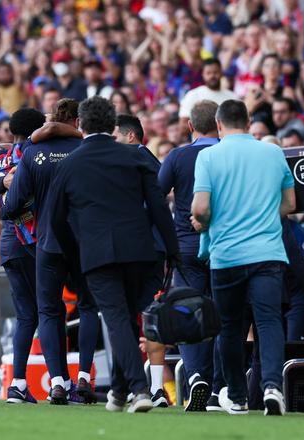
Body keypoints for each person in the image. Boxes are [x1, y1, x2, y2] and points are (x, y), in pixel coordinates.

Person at [48, 96, 179, 413]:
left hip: (97, 253)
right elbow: (159, 205)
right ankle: (120, 391)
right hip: (140, 249)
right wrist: (174, 251)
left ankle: (139, 389)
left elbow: (55, 219)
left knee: (118, 319)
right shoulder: (135, 157)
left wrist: (73, 254)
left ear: (80, 125)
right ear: (112, 125)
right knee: (128, 320)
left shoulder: (68, 164)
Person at [191, 99, 296, 416]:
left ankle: (236, 395)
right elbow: (290, 204)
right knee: (268, 321)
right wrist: (262, 216)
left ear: (219, 125)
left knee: (230, 328)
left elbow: (199, 208)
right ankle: (273, 387)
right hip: (267, 253)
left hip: (226, 255)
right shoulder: (273, 152)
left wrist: (206, 222)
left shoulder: (208, 155)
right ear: (249, 122)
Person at [3, 101, 100, 405]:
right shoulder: (87, 150)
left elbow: (13, 203)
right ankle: (84, 377)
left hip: (48, 241)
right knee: (87, 307)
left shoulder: (32, 153)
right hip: (84, 240)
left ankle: (57, 382)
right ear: (76, 120)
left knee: (47, 310)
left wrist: (9, 207)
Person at [158, 100, 220, 412]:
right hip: (226, 244)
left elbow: (155, 195)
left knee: (188, 312)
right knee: (225, 314)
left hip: (185, 246)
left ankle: (196, 376)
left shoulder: (178, 155)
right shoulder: (229, 153)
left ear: (190, 127)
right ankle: (222, 387)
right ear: (220, 124)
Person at [0, 108, 44, 404]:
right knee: (47, 309)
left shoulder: (2, 157)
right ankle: (61, 380)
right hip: (35, 238)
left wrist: (2, 183)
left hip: (9, 240)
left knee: (26, 313)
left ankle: (18, 383)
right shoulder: (40, 153)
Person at [113, 113, 171, 408]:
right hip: (152, 247)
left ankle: (145, 388)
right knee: (146, 315)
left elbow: (155, 202)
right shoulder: (147, 161)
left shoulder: (137, 159)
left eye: (115, 137)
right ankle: (152, 387)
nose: (113, 143)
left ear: (131, 136)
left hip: (140, 248)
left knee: (134, 316)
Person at [178, 59, 238, 136]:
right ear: (203, 74)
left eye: (215, 72)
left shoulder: (232, 97)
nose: (212, 76)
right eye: (208, 73)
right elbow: (183, 126)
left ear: (221, 73)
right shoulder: (193, 95)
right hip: (201, 145)